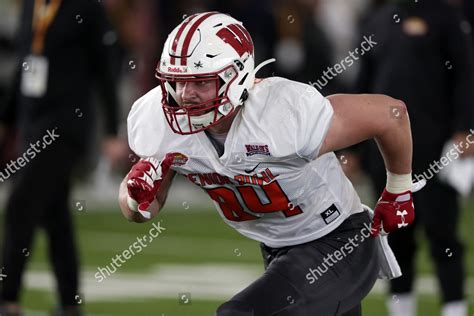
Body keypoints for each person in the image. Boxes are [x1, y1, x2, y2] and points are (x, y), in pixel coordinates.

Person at [119, 12, 421, 316]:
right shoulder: (160, 121)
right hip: (279, 249)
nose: (185, 95)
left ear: (235, 76)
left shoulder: (281, 115)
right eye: (177, 82)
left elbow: (391, 114)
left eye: (200, 81)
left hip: (337, 241)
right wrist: (135, 196)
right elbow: (143, 210)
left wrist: (398, 189)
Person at [0, 0, 127, 315]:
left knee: (20, 205)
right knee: (55, 216)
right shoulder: (32, 5)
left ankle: (7, 299)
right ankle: (70, 304)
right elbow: (26, 61)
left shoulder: (87, 7)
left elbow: (105, 68)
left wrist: (111, 130)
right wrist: (7, 119)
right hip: (33, 121)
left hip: (65, 125)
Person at [356, 1, 474, 315]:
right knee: (394, 234)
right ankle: (401, 308)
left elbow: (465, 74)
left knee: (442, 233)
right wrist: (350, 148)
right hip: (384, 152)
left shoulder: (447, 16)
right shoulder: (376, 19)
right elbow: (363, 86)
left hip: (434, 147)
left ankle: (454, 308)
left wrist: (465, 128)